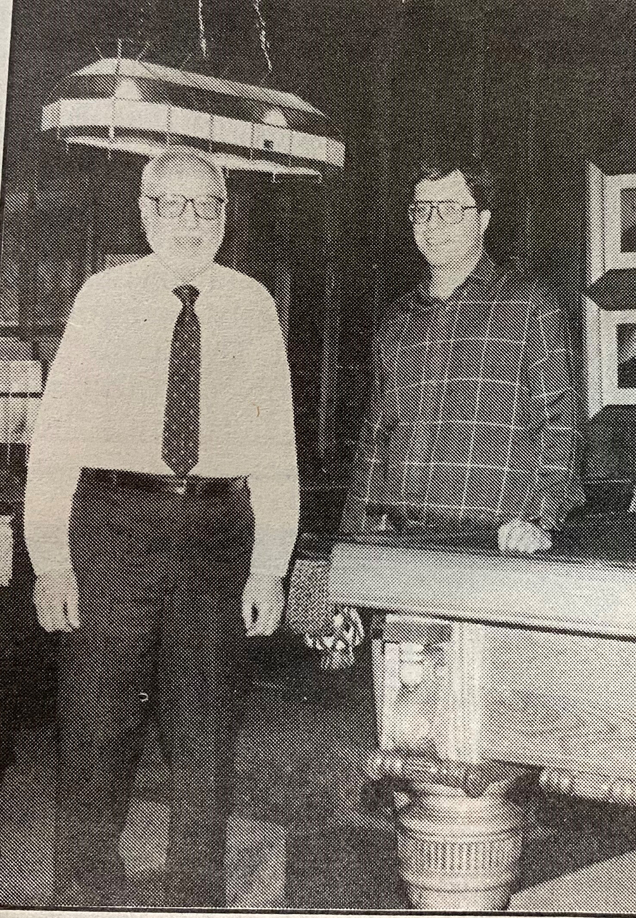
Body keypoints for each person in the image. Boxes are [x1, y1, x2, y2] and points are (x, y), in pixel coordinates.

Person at [24, 148, 299, 907]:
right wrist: (51, 558)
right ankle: (84, 897)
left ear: (224, 217)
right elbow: (56, 437)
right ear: (144, 212)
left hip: (218, 531)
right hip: (112, 527)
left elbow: (276, 442)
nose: (189, 220)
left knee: (206, 735)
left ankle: (194, 898)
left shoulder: (250, 304)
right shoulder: (103, 298)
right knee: (95, 729)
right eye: (171, 204)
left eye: (206, 205)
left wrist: (269, 564)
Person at [341, 150, 583, 554]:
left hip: (496, 542)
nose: (432, 225)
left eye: (451, 210)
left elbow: (558, 423)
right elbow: (377, 437)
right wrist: (354, 547)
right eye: (422, 210)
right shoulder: (397, 318)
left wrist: (540, 520)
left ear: (483, 219)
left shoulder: (530, 304)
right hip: (402, 545)